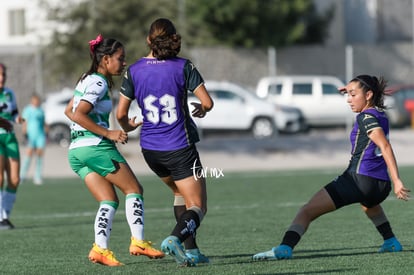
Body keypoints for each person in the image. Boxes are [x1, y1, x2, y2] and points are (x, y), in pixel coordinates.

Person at [253, 75, 410, 260]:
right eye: (348, 94)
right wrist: (353, 87)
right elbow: (381, 144)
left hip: (358, 180)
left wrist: (398, 180)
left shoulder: (365, 117)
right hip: (380, 185)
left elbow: (384, 146)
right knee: (369, 204)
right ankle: (391, 241)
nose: (348, 99)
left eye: (353, 94)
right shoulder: (380, 115)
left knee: (307, 210)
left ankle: (284, 248)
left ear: (368, 94)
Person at [116, 18, 214, 267]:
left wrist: (128, 127)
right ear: (173, 39)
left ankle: (192, 252)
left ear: (148, 40)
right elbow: (208, 102)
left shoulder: (134, 70)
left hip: (150, 150)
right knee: (198, 206)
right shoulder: (183, 66)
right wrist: (201, 109)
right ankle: (175, 238)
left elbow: (120, 115)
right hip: (179, 147)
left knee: (179, 194)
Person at [64, 34, 164, 267]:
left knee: (108, 200)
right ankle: (138, 241)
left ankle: (100, 249)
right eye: (121, 58)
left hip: (77, 151)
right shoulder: (98, 82)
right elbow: (79, 114)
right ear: (106, 59)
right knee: (134, 189)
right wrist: (108, 133)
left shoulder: (85, 78)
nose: (124, 62)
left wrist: (118, 124)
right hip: (95, 147)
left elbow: (69, 111)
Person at [0, 63, 24, 230]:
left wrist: (17, 119)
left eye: (3, 75)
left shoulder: (9, 93)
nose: (2, 78)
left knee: (14, 180)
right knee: (0, 178)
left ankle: (5, 216)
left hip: (10, 138)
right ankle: (1, 217)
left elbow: (14, 111)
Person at [20, 93, 48, 185]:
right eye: (35, 100)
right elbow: (24, 122)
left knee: (39, 156)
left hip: (40, 136)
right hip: (31, 136)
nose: (36, 102)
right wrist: (24, 133)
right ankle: (22, 176)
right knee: (28, 155)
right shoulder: (27, 110)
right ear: (32, 101)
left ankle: (37, 176)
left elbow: (44, 122)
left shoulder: (41, 110)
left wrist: (47, 132)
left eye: (38, 100)